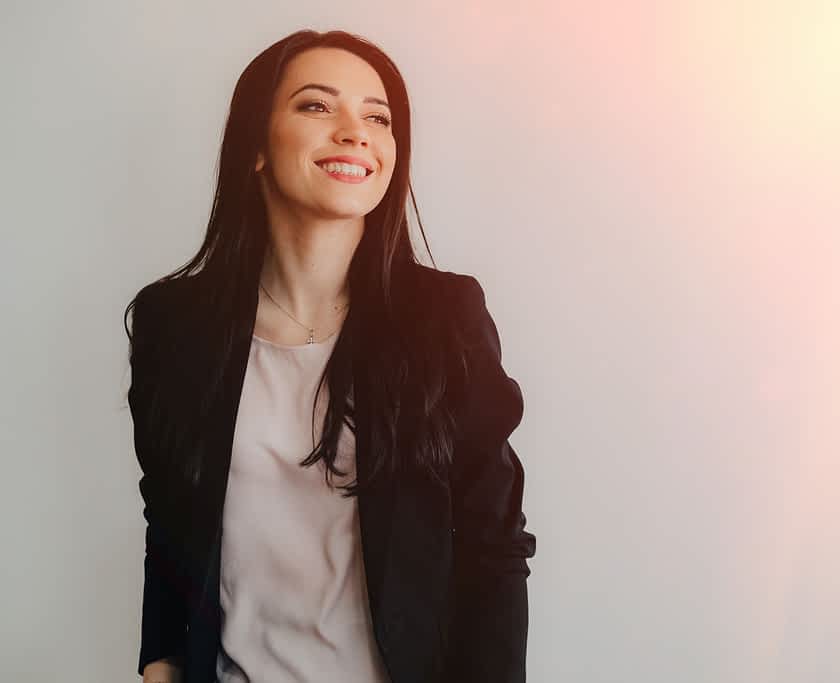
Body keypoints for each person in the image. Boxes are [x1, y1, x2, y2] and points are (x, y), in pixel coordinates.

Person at [124, 28, 536, 683]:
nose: (355, 133)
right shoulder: (174, 326)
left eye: (378, 118)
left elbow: (495, 546)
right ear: (256, 147)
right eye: (317, 106)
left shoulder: (443, 320)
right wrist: (160, 663)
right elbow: (171, 524)